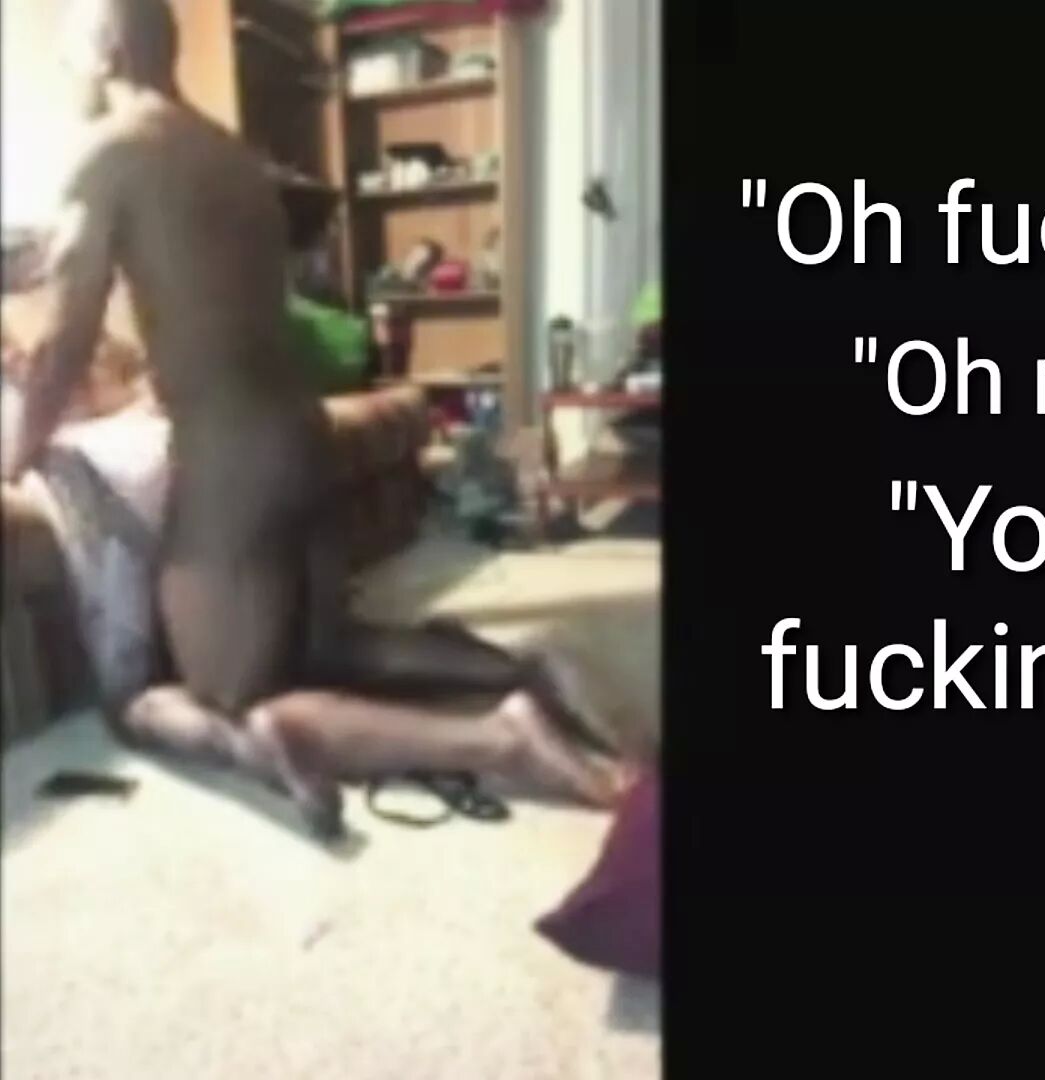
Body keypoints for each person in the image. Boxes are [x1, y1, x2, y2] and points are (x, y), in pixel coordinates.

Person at [1, 0, 617, 836]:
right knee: (324, 645)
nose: (68, 65)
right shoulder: (236, 157)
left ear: (105, 47)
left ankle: (500, 737)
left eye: (70, 46)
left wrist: (13, 458)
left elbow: (61, 346)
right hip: (302, 431)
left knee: (226, 697)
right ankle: (527, 670)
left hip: (231, 458)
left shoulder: (106, 152)